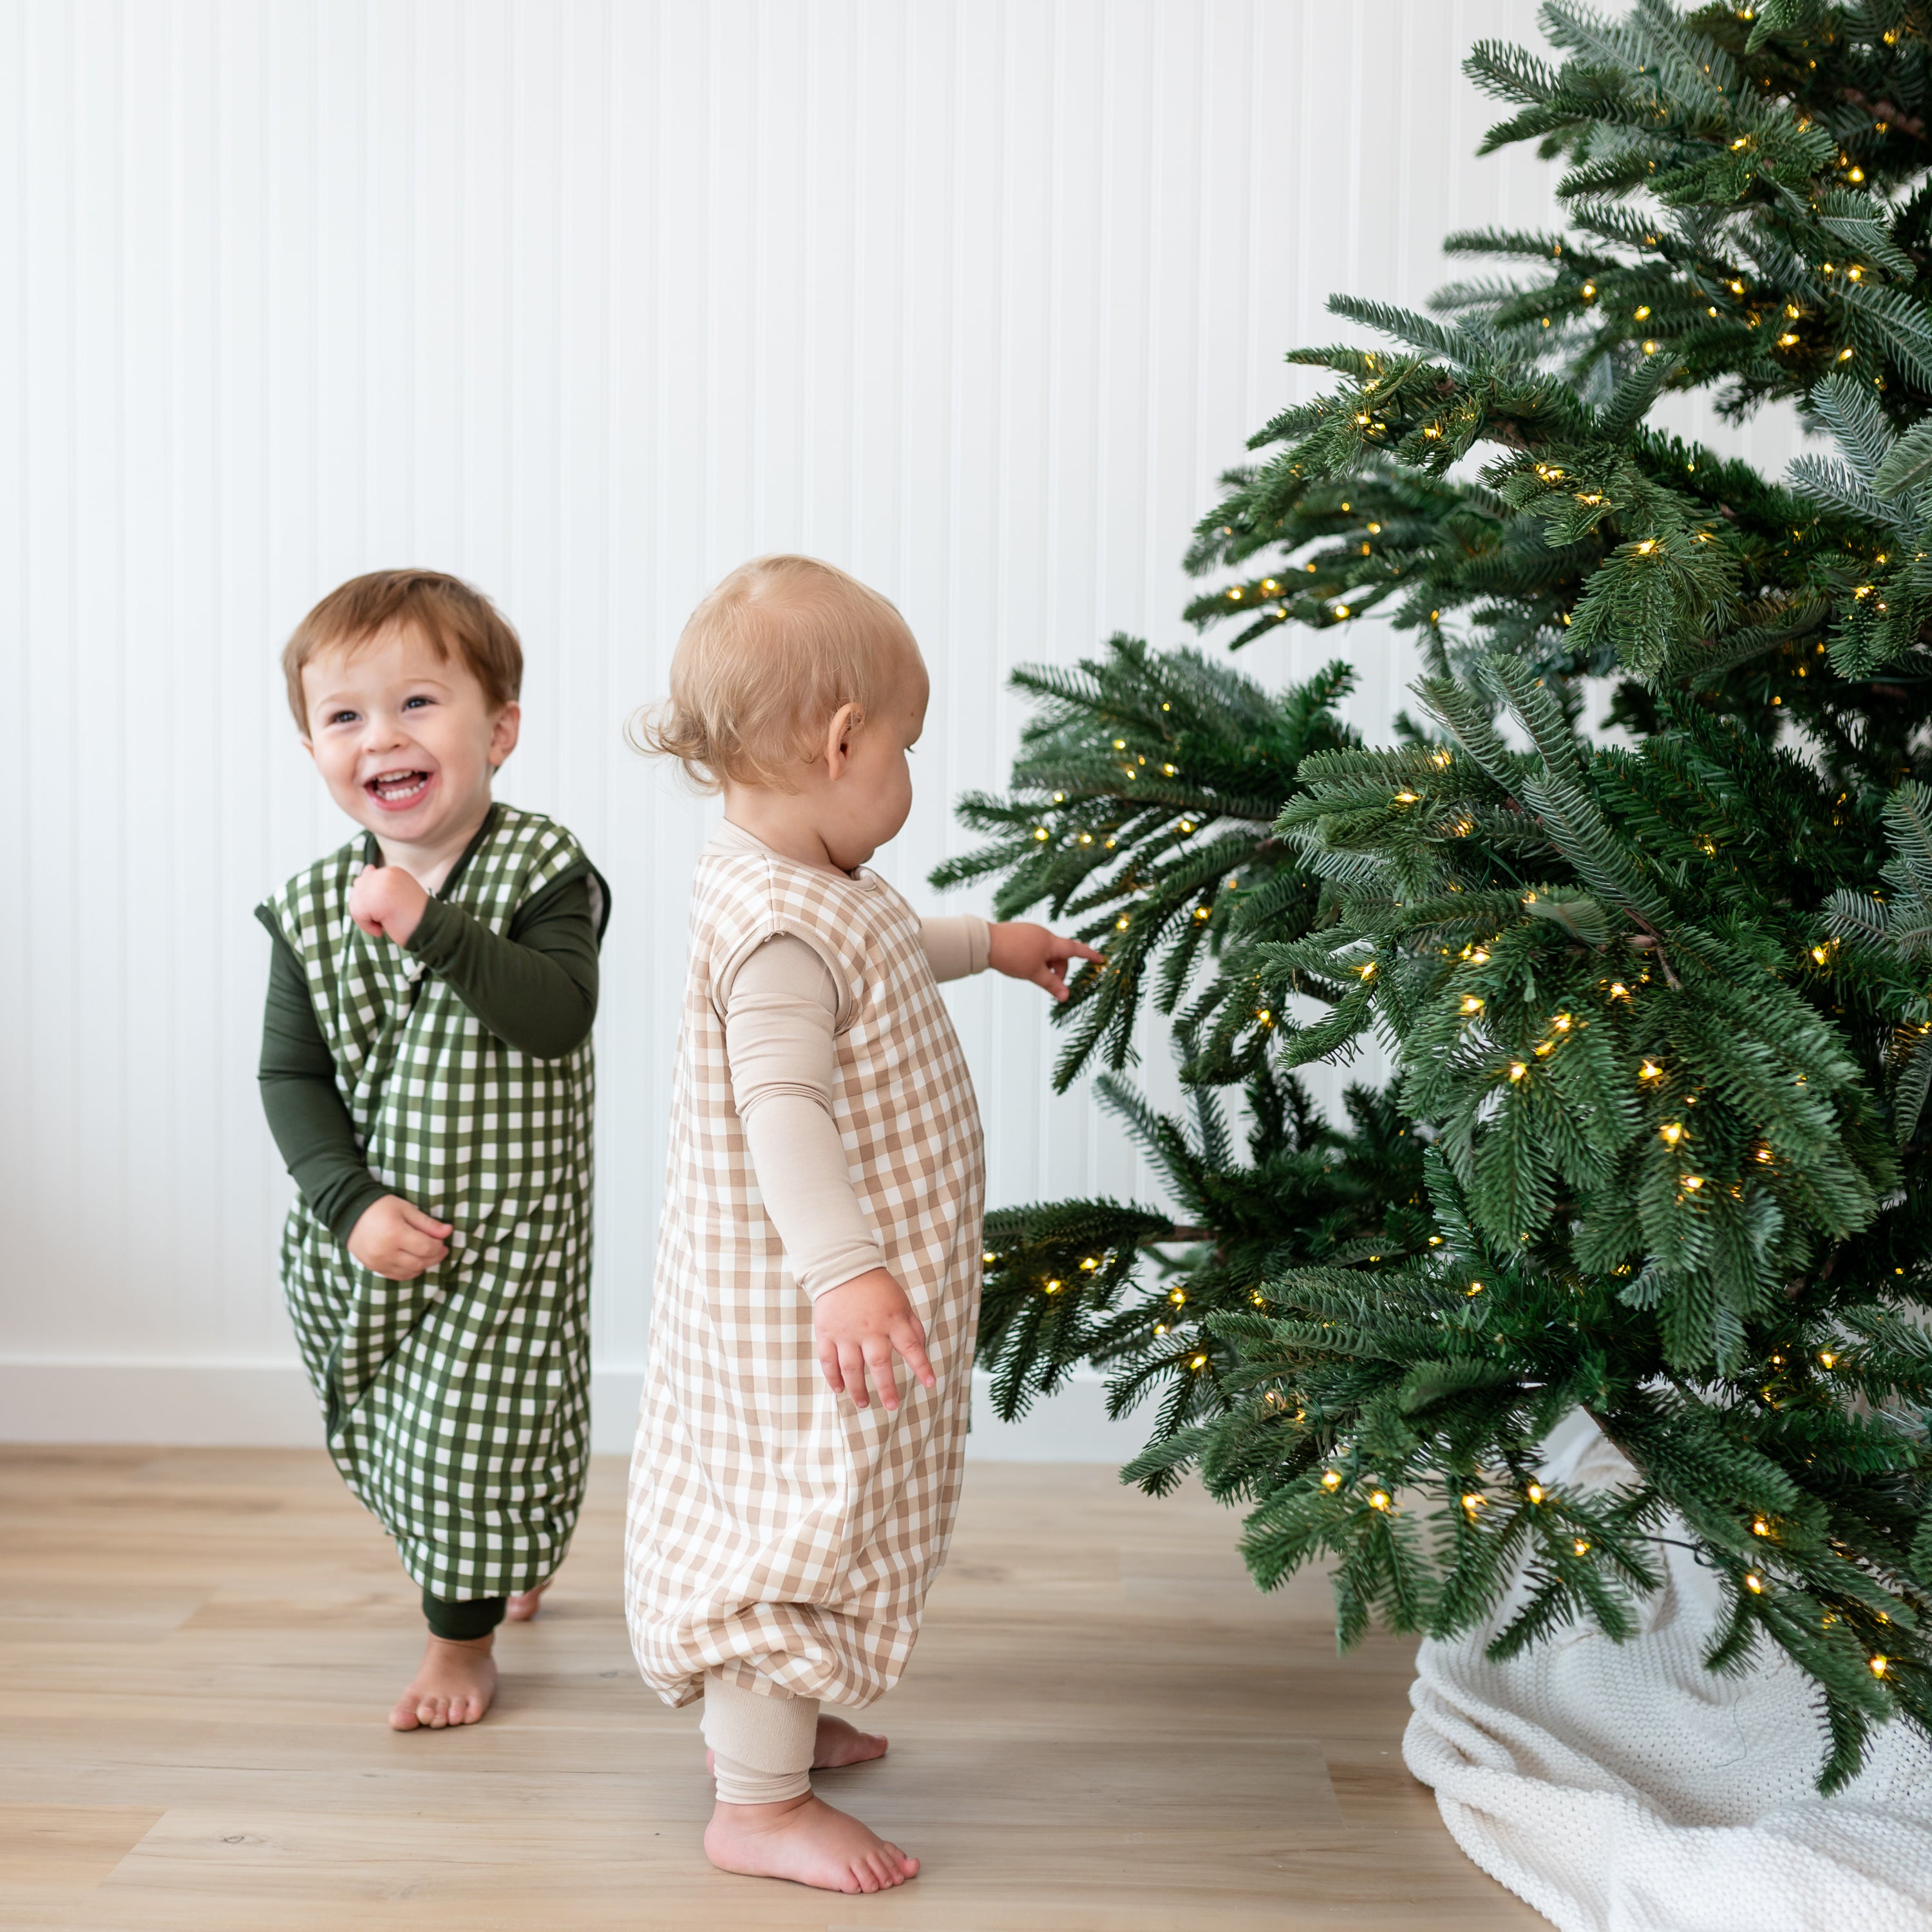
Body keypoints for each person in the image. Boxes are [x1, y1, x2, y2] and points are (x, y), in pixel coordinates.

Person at [627, 554, 1101, 1893]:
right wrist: (844, 1275)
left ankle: (793, 1719)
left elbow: (885, 950)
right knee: (795, 1523)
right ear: (844, 744)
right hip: (798, 1316)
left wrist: (989, 942)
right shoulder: (775, 926)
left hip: (845, 1296)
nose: (907, 780)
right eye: (904, 750)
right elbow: (785, 1112)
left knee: (845, 1510)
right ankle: (757, 1805)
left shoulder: (820, 880)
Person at [256, 569, 609, 1732]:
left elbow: (556, 1014)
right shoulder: (311, 907)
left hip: (505, 1241)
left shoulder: (543, 870)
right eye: (345, 716)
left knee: (484, 1432)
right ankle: (495, 1551)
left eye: (418, 704)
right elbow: (291, 1078)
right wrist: (346, 1202)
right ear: (312, 746)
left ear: (498, 730)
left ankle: (458, 1643)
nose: (383, 738)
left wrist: (428, 920)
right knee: (417, 1438)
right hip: (373, 1241)